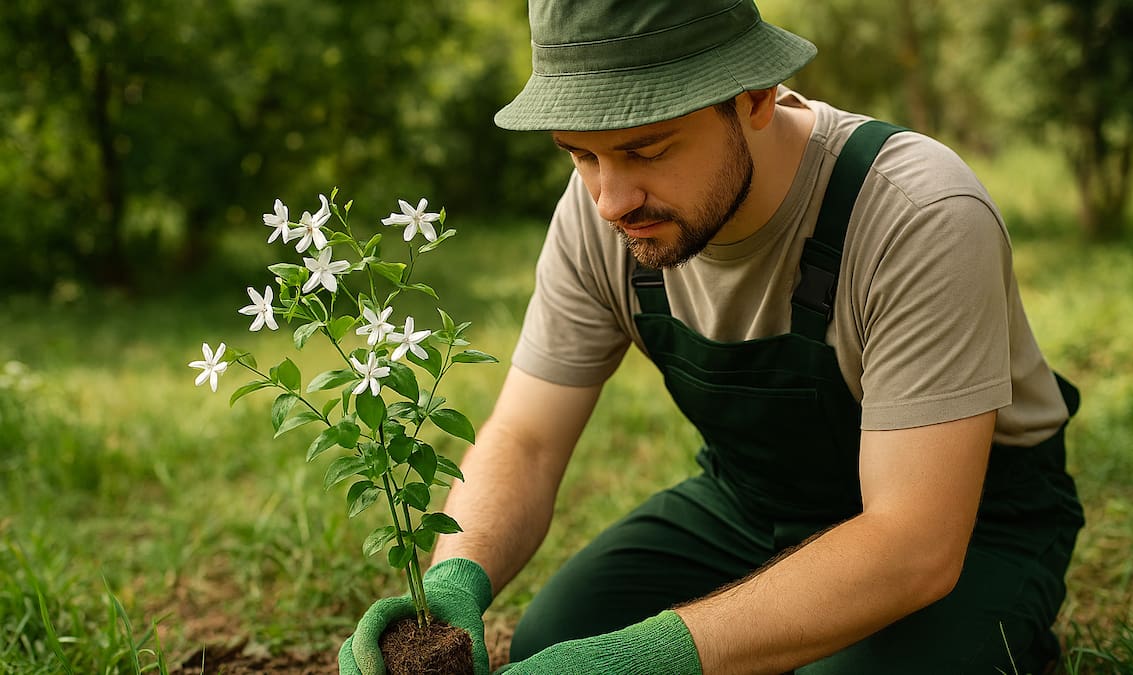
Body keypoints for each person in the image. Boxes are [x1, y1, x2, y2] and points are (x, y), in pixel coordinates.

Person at [340, 0, 1085, 673]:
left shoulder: (915, 212)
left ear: (755, 96)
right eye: (581, 152)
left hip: (973, 523)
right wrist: (449, 584)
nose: (610, 200)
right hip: (753, 502)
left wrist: (650, 655)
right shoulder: (604, 209)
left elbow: (914, 542)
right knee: (550, 639)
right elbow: (526, 439)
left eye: (646, 149)